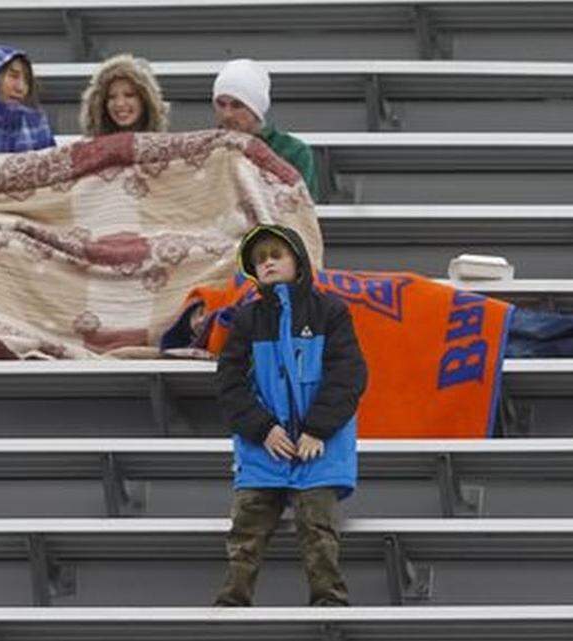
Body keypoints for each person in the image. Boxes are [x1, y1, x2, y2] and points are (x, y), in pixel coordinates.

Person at [213, 224, 367, 607]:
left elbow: (348, 373)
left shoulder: (330, 311)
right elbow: (230, 383)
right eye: (259, 259)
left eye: (275, 255)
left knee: (318, 525)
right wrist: (262, 429)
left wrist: (318, 429)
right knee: (246, 526)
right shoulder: (245, 320)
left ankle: (329, 601)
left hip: (321, 446)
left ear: (297, 260)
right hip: (263, 449)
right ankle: (233, 600)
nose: (267, 263)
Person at [212, 59, 321, 201]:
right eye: (221, 104)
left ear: (255, 108)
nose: (227, 114)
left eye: (237, 105)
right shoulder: (202, 150)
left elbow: (303, 211)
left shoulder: (293, 151)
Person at [79, 53, 170, 137]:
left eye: (129, 95)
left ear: (145, 99)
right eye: (111, 97)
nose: (120, 103)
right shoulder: (86, 151)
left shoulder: (165, 150)